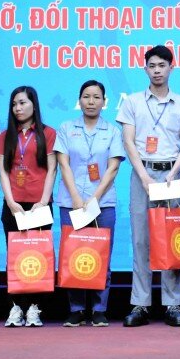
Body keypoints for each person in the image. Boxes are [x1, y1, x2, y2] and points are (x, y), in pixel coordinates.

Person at [117, 46, 180, 328]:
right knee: (141, 240)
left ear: (171, 68)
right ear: (145, 69)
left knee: (173, 239)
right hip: (142, 174)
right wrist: (145, 177)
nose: (158, 70)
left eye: (163, 65)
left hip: (172, 174)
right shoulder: (132, 102)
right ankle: (140, 303)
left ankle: (173, 304)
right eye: (152, 65)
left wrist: (173, 173)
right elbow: (128, 141)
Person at [55, 79, 126, 327]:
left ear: (104, 102)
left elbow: (113, 167)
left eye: (96, 97)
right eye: (86, 96)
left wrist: (94, 199)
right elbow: (63, 164)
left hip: (103, 202)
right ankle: (76, 309)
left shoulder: (113, 131)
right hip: (70, 201)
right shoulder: (66, 128)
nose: (91, 101)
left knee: (101, 254)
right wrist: (76, 198)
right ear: (79, 100)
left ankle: (99, 309)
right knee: (73, 254)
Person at [0, 86, 57, 328]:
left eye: (22, 103)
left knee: (38, 257)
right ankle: (15, 307)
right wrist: (10, 202)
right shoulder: (5, 136)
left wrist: (43, 201)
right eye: (14, 104)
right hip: (14, 206)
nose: (18, 108)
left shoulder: (47, 133)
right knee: (15, 257)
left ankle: (34, 307)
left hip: (39, 205)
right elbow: (3, 170)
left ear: (34, 104)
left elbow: (52, 169)